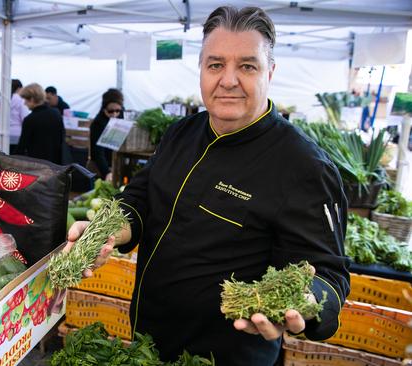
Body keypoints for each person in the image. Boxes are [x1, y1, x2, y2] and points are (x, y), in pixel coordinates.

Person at [67, 6, 349, 365]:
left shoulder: (303, 166)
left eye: (247, 66)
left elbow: (329, 273)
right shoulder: (181, 133)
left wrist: (305, 302)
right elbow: (139, 198)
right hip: (146, 344)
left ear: (270, 72)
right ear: (201, 70)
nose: (228, 80)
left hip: (228, 356)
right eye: (215, 65)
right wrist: (106, 231)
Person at [17, 83, 65, 164]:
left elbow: (22, 146)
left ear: (32, 99)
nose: (24, 103)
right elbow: (61, 139)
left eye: (25, 100)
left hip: (37, 166)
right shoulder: (56, 114)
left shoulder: (30, 119)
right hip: (55, 165)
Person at [89, 88, 124, 181]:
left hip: (118, 164)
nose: (114, 114)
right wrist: (107, 172)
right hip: (102, 167)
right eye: (110, 111)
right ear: (104, 109)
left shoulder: (122, 117)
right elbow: (97, 152)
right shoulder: (98, 124)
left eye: (117, 110)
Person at [0, 79, 29, 153]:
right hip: (17, 136)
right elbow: (25, 119)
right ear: (19, 88)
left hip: (0, 136)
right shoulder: (21, 100)